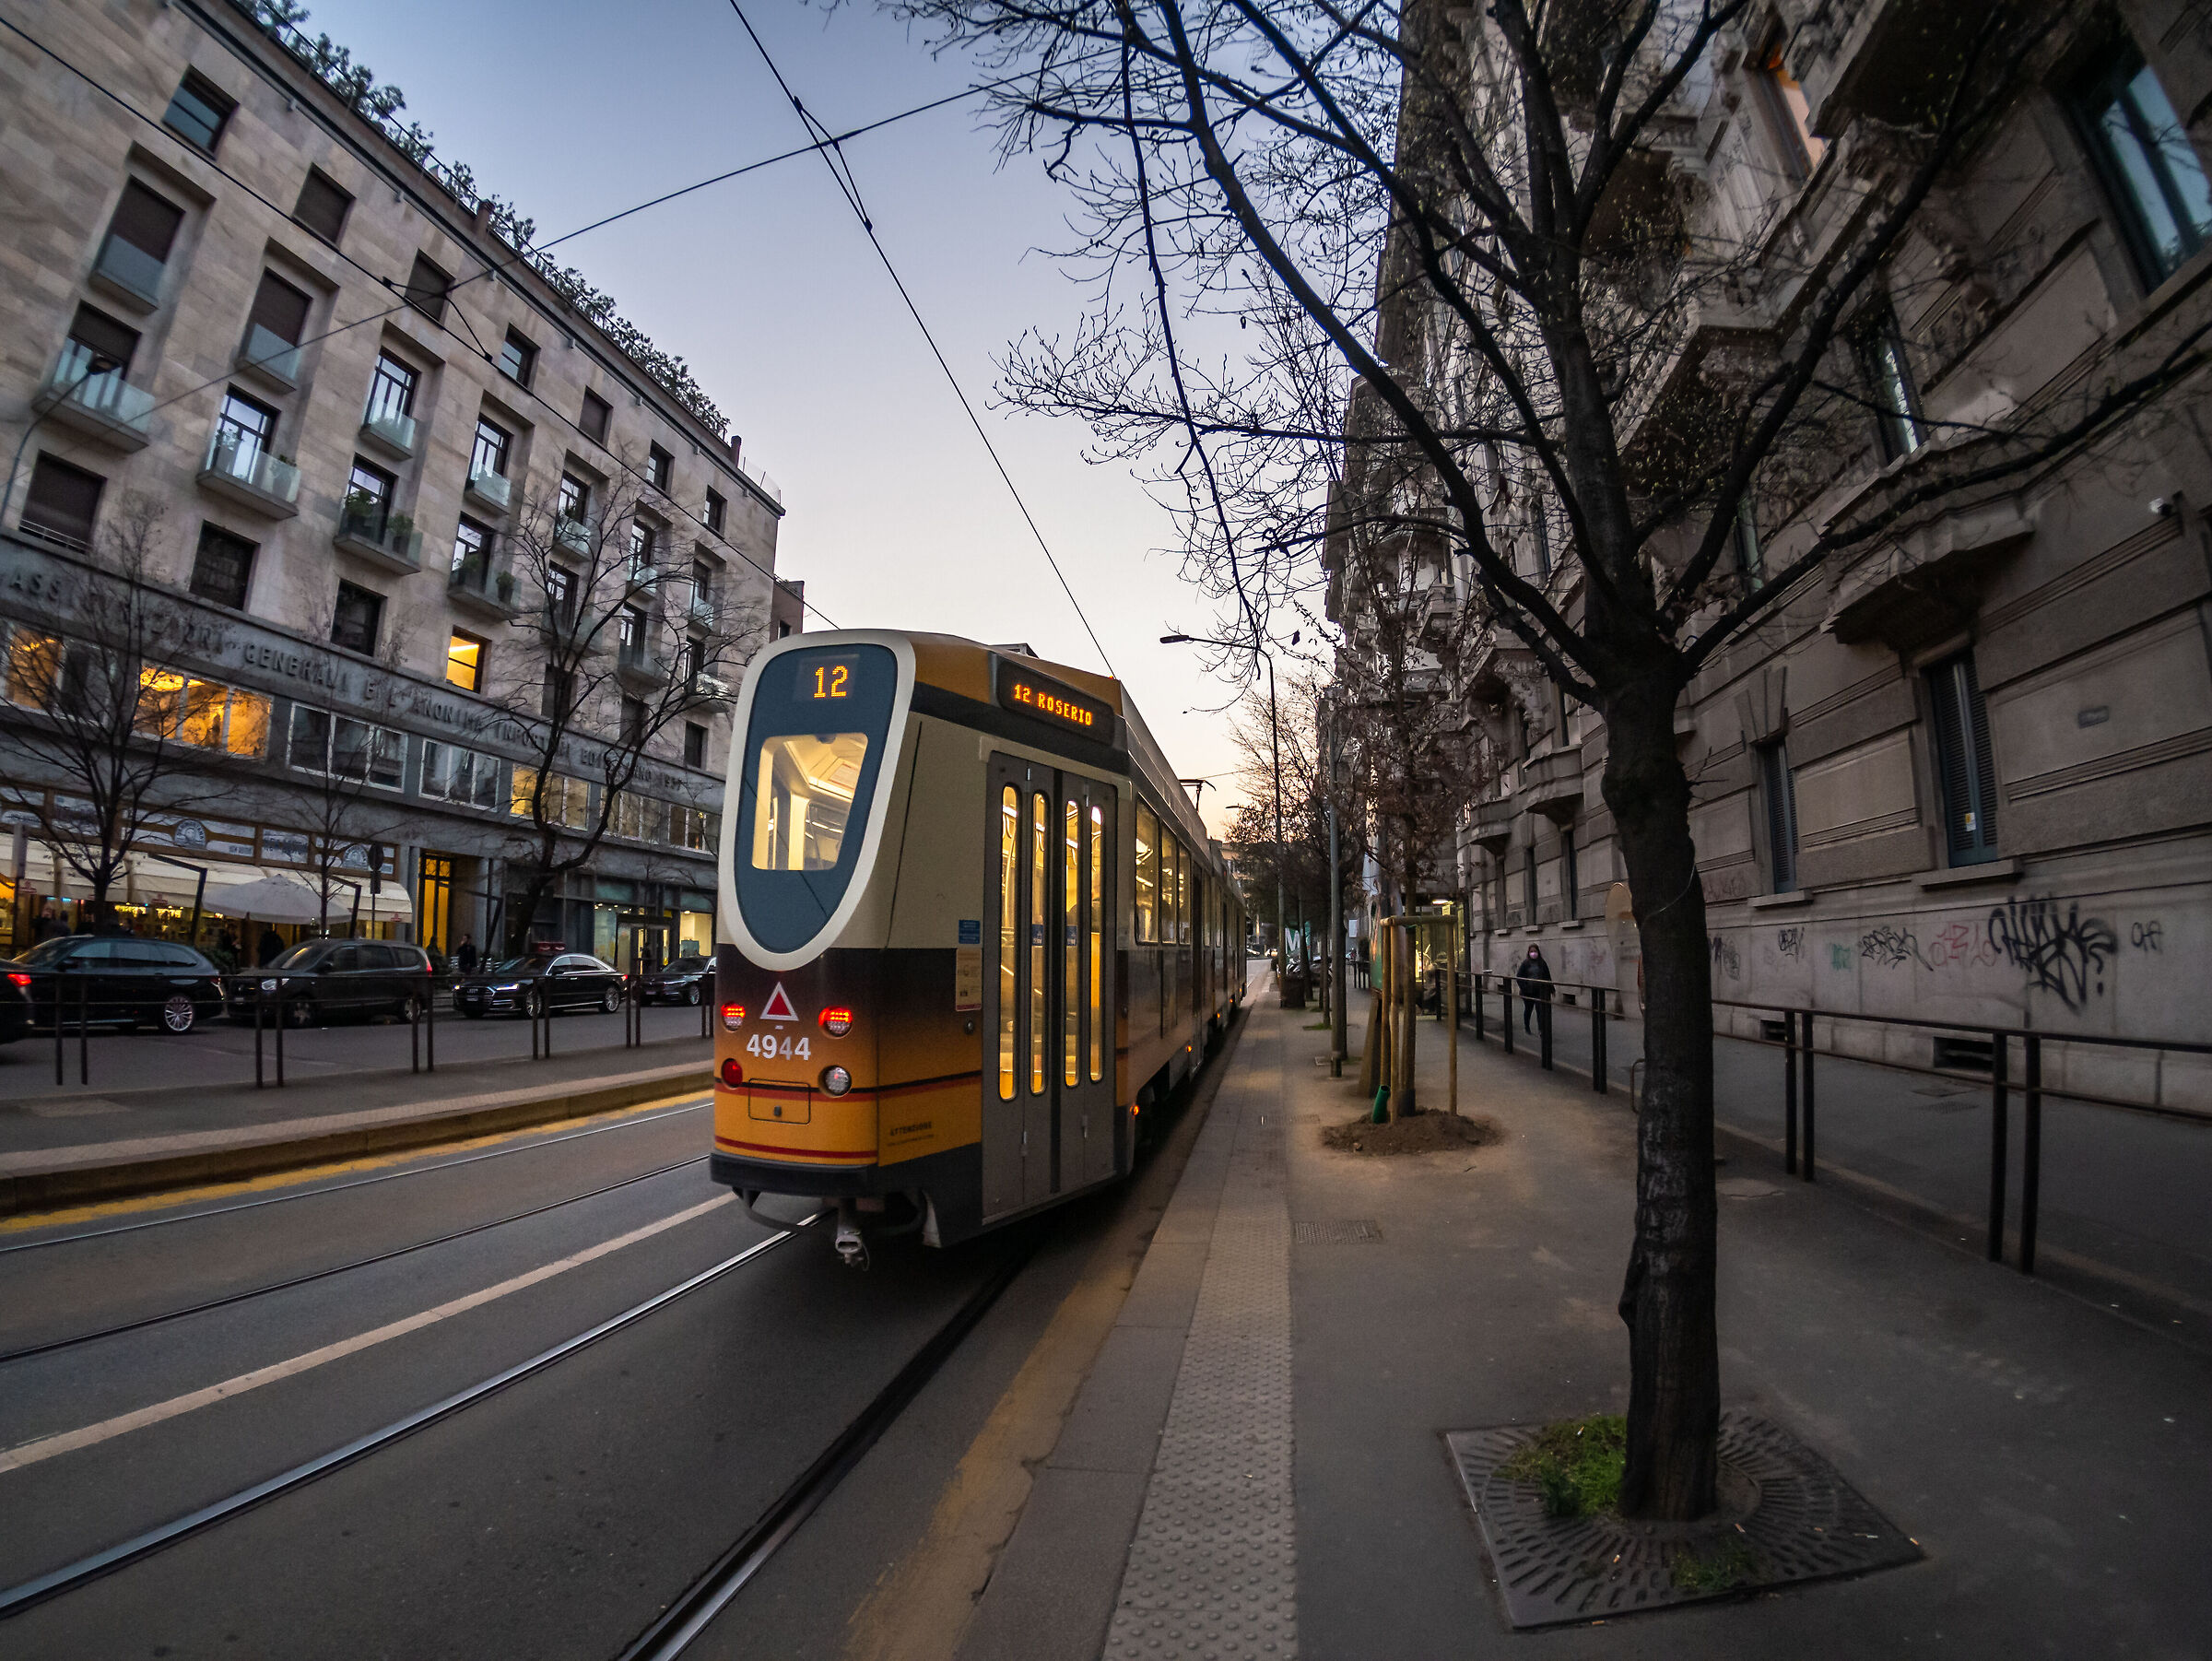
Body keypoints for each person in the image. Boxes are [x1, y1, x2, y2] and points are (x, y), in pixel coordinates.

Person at [1516, 943, 1554, 1035]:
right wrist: (1524, 987)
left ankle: (1541, 1029)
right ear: (1529, 952)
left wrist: (1552, 989)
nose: (1533, 953)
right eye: (1531, 951)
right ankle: (1527, 1027)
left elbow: (1547, 976)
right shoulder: (1525, 963)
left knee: (1540, 1010)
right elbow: (1519, 977)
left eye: (1535, 951)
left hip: (1539, 990)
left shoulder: (1542, 963)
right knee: (1528, 1009)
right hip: (1528, 991)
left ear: (1538, 952)